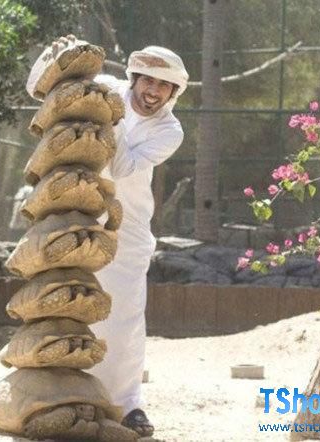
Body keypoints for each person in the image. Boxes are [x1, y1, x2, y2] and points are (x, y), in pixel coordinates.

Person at [89, 46, 189, 437]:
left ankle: (127, 405)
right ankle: (65, 397)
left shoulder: (169, 130)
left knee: (123, 318)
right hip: (76, 212)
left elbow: (121, 166)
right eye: (148, 80)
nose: (154, 91)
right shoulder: (106, 86)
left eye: (165, 85)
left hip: (126, 229)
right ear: (134, 78)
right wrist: (59, 58)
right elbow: (43, 89)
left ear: (173, 92)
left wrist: (109, 114)